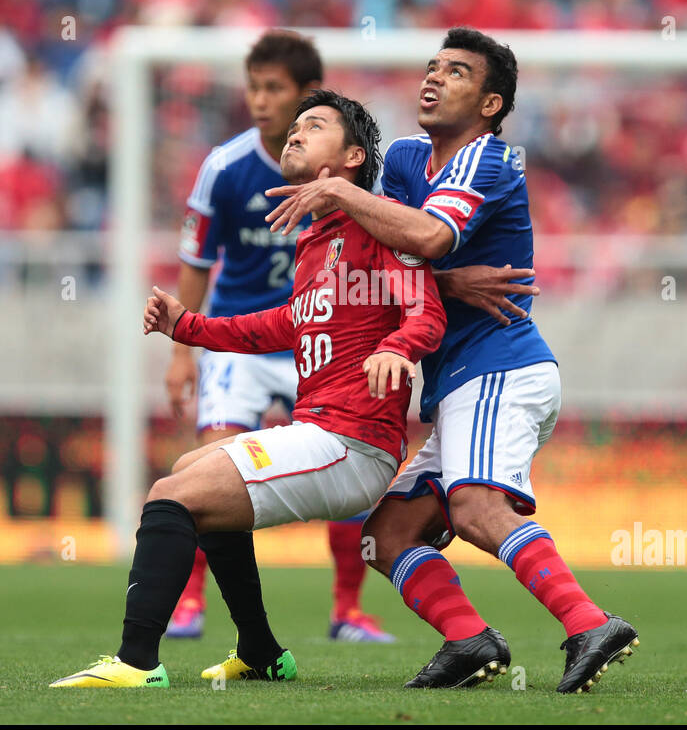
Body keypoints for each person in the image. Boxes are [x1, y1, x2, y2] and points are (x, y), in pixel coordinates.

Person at [265, 27, 639, 693]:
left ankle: (589, 622)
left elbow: (432, 235)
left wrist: (344, 195)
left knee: (472, 508)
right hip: (459, 381)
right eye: (432, 66)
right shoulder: (407, 160)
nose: (433, 78)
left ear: (491, 104)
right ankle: (469, 641)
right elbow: (385, 252)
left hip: (500, 365)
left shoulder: (487, 159)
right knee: (386, 534)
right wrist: (442, 281)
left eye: (458, 72)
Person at [51, 92, 444, 688]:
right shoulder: (316, 242)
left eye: (313, 126)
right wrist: (187, 326)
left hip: (354, 443)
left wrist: (397, 348)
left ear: (354, 156)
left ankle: (136, 663)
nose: (293, 134)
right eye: (294, 127)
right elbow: (280, 325)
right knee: (190, 471)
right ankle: (261, 652)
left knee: (170, 495)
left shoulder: (380, 226)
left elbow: (426, 313)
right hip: (323, 433)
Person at [168, 29, 394, 645]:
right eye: (254, 88)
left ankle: (346, 610)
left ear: (305, 99)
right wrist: (182, 353)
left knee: (344, 466)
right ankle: (188, 600)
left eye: (276, 90)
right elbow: (197, 262)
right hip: (241, 341)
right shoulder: (227, 166)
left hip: (320, 344)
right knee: (210, 464)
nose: (261, 101)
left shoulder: (347, 185)